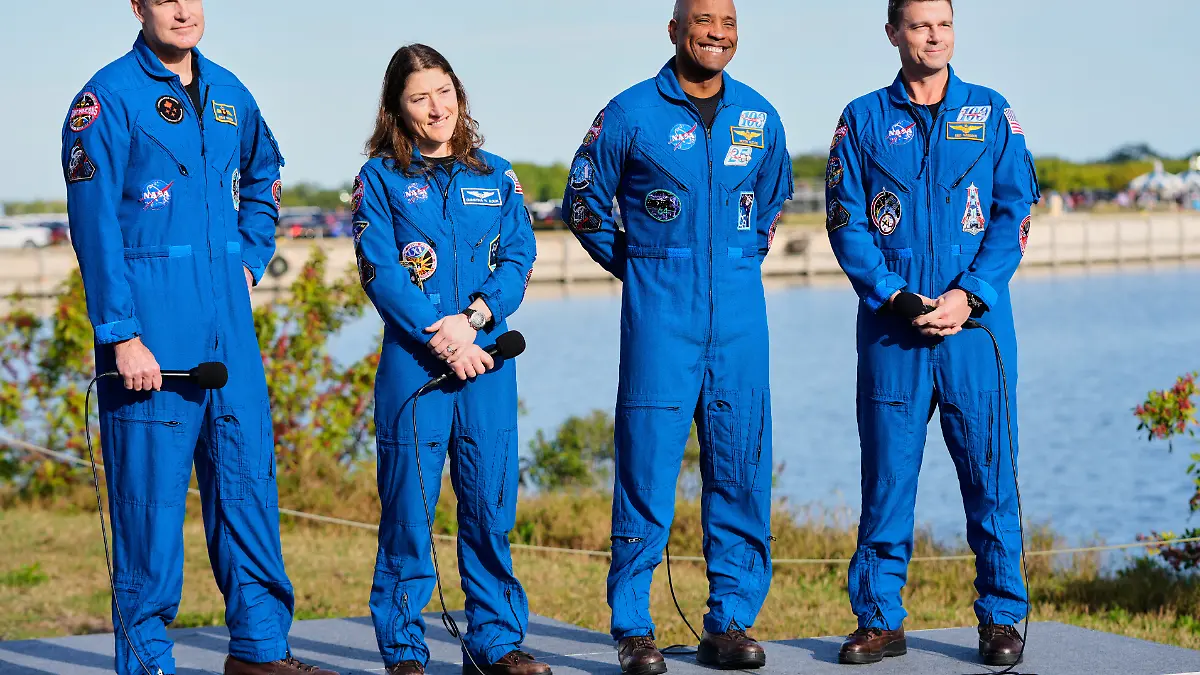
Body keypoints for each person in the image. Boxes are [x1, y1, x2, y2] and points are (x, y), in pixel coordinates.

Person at [61, 2, 334, 674]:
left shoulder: (230, 94)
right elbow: (95, 230)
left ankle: (261, 649)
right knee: (149, 505)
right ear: (137, 6)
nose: (182, 10)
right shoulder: (106, 100)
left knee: (247, 488)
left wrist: (250, 255)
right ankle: (150, 659)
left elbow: (265, 174)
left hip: (229, 334)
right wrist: (122, 336)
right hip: (152, 339)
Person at [561, 1, 793, 672]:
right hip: (661, 312)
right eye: (703, 21)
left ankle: (731, 621)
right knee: (646, 468)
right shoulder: (631, 112)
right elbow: (582, 201)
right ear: (674, 30)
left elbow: (769, 202)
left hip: (741, 318)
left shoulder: (761, 116)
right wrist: (639, 266)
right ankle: (634, 625)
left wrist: (735, 262)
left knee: (742, 467)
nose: (717, 33)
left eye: (728, 22)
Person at [825, 0, 1040, 667]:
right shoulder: (861, 119)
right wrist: (894, 294)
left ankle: (1002, 618)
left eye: (943, 24)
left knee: (990, 477)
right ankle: (880, 619)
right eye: (919, 25)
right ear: (893, 33)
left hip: (976, 329)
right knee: (887, 478)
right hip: (895, 331)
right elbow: (845, 220)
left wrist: (969, 293)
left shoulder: (990, 111)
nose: (933, 36)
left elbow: (1014, 213)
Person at [352, 44, 542, 675]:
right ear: (397, 109)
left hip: (488, 358)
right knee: (410, 511)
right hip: (417, 367)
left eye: (444, 92)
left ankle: (495, 644)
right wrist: (443, 337)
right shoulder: (379, 180)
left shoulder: (497, 175)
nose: (436, 108)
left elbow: (518, 258)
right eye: (419, 97)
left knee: (489, 507)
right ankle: (405, 651)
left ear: (459, 96)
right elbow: (380, 271)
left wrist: (476, 321)